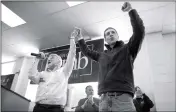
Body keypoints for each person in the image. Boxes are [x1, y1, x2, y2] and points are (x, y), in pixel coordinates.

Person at [73, 2, 145, 111]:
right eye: (107, 34)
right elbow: (87, 51)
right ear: (105, 39)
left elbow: (139, 32)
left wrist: (131, 11)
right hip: (104, 101)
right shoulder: (102, 55)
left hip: (123, 100)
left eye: (112, 32)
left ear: (117, 36)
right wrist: (80, 39)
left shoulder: (128, 49)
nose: (110, 34)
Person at [28, 31, 77, 112]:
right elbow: (31, 76)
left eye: (52, 57)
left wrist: (72, 39)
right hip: (39, 108)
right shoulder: (42, 74)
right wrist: (37, 59)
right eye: (49, 58)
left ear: (59, 62)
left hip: (56, 109)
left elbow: (71, 54)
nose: (49, 58)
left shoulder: (64, 72)